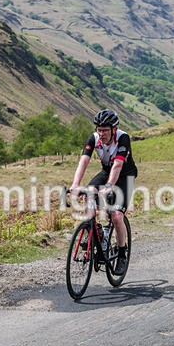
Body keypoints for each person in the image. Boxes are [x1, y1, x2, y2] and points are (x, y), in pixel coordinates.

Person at [70, 109, 138, 274]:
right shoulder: (93, 138)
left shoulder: (123, 138)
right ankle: (95, 230)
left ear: (114, 129)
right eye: (99, 130)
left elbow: (118, 165)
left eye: (105, 130)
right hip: (106, 172)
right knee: (89, 192)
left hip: (124, 176)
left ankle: (122, 252)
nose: (101, 133)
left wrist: (108, 186)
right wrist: (76, 183)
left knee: (116, 215)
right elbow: (84, 161)